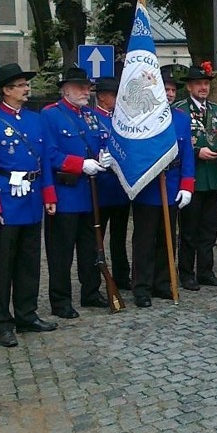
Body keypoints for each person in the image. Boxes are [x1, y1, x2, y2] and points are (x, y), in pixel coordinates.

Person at [0, 63, 58, 347]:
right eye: (21, 85)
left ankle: (27, 314)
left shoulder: (35, 120)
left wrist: (49, 196)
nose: (27, 89)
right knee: (3, 265)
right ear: (6, 91)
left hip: (32, 200)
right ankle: (2, 321)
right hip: (6, 202)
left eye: (26, 84)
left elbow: (44, 160)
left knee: (29, 262)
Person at [41, 66, 110, 319]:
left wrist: (105, 156)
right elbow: (48, 154)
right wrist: (79, 164)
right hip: (66, 192)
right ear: (65, 89)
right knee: (61, 252)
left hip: (90, 193)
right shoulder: (50, 115)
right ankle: (60, 300)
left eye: (87, 87)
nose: (86, 91)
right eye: (80, 87)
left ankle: (91, 291)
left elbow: (101, 141)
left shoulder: (90, 115)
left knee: (90, 247)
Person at [130, 70, 195, 308]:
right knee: (145, 240)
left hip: (172, 183)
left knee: (168, 239)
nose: (168, 94)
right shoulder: (141, 117)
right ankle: (142, 287)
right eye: (164, 89)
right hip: (148, 187)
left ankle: (163, 282)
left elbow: (187, 153)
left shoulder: (181, 118)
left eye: (171, 90)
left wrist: (187, 185)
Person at [174, 63, 217, 291]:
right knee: (189, 230)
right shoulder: (180, 110)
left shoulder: (215, 109)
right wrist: (197, 152)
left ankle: (206, 271)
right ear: (189, 87)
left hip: (211, 178)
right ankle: (186, 274)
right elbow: (175, 144)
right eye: (199, 84)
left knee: (209, 230)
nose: (203, 87)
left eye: (206, 83)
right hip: (191, 178)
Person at [94, 76, 132, 289]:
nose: (119, 99)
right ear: (102, 96)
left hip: (120, 186)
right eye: (115, 95)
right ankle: (96, 276)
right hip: (101, 186)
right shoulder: (93, 118)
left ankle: (121, 274)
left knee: (119, 235)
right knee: (96, 237)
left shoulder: (122, 120)